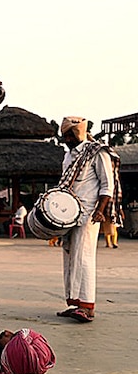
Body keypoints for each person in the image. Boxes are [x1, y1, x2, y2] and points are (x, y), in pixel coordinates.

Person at [56, 116, 121, 323]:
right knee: (69, 257)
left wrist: (101, 210)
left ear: (79, 134)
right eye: (64, 135)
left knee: (84, 257)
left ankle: (87, 306)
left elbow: (106, 185)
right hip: (68, 214)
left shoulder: (97, 152)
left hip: (89, 214)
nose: (66, 138)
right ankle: (75, 303)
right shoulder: (67, 157)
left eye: (70, 135)